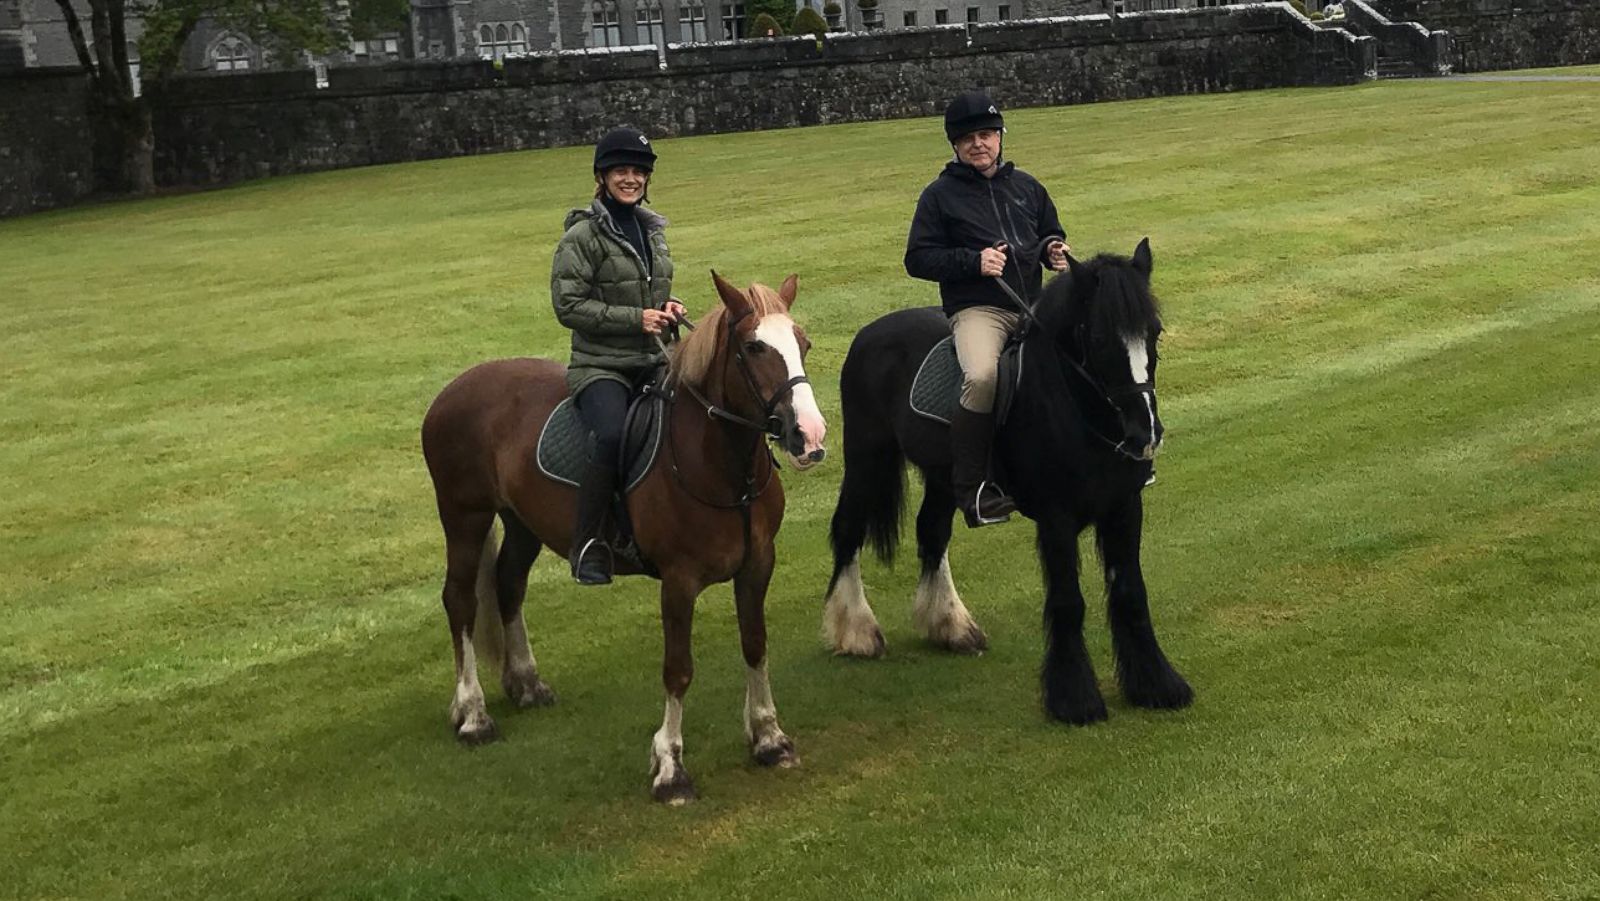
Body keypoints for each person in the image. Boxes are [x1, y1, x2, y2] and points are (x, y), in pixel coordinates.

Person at [905, 92, 1070, 527]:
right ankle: (973, 489)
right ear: (954, 146)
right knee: (982, 377)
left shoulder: (1028, 187)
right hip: (979, 310)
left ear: (1000, 138)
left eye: (986, 135)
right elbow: (917, 258)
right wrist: (972, 262)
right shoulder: (938, 196)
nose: (979, 144)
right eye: (968, 138)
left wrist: (1054, 248)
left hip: (1034, 306)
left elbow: (1049, 229)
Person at [551, 126, 685, 584]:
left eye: (637, 172)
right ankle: (588, 541)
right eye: (620, 171)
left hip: (653, 359)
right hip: (600, 367)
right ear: (602, 177)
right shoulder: (582, 237)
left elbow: (650, 290)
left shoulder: (653, 230)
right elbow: (567, 306)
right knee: (610, 435)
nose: (630, 179)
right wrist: (635, 319)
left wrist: (668, 307)